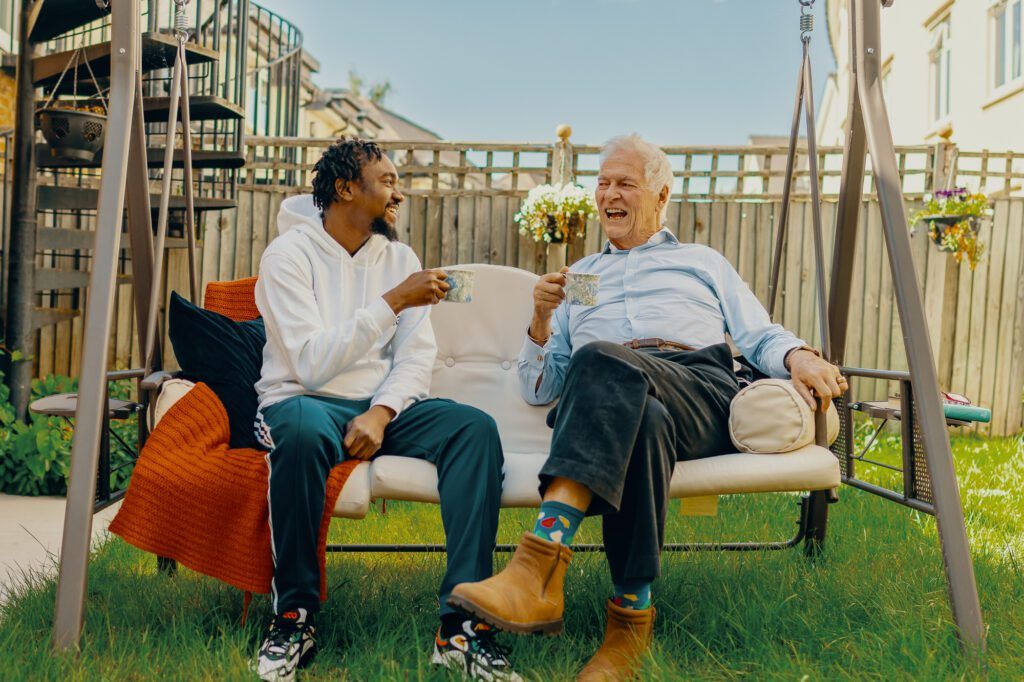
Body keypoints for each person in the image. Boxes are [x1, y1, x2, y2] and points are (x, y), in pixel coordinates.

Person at [448, 133, 847, 681]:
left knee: (605, 362)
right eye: (603, 182)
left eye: (625, 183)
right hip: (621, 402)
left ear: (660, 196)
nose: (609, 193)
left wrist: (799, 355)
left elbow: (757, 334)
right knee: (640, 414)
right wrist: (541, 324)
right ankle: (629, 626)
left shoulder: (701, 261)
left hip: (697, 387)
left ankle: (536, 568)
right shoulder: (582, 278)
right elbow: (541, 390)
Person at [252, 137, 520, 682]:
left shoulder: (398, 257)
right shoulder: (288, 255)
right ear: (347, 188)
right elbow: (309, 362)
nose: (400, 191)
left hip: (381, 405)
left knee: (474, 429)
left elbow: (416, 355)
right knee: (301, 437)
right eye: (389, 180)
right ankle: (293, 618)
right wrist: (392, 300)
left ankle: (463, 627)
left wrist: (383, 412)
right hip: (303, 400)